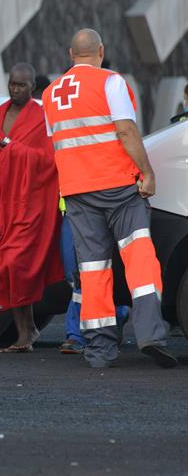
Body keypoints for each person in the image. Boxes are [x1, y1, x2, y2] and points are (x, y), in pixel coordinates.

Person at [42, 28, 177, 369]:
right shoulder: (111, 82)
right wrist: (147, 172)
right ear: (100, 51)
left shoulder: (50, 94)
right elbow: (126, 131)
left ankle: (100, 349)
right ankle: (151, 334)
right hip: (119, 189)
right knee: (140, 259)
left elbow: (57, 141)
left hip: (77, 192)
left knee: (92, 268)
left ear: (71, 54)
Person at [0, 63, 63, 353]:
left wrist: (15, 149)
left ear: (33, 87)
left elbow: (49, 161)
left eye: (21, 85)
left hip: (30, 205)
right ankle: (26, 331)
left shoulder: (43, 117)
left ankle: (27, 331)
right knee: (2, 268)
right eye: (11, 84)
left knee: (13, 263)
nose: (15, 89)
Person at [57, 201, 130, 355]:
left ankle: (78, 334)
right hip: (73, 209)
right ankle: (114, 317)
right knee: (74, 273)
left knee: (99, 271)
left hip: (110, 206)